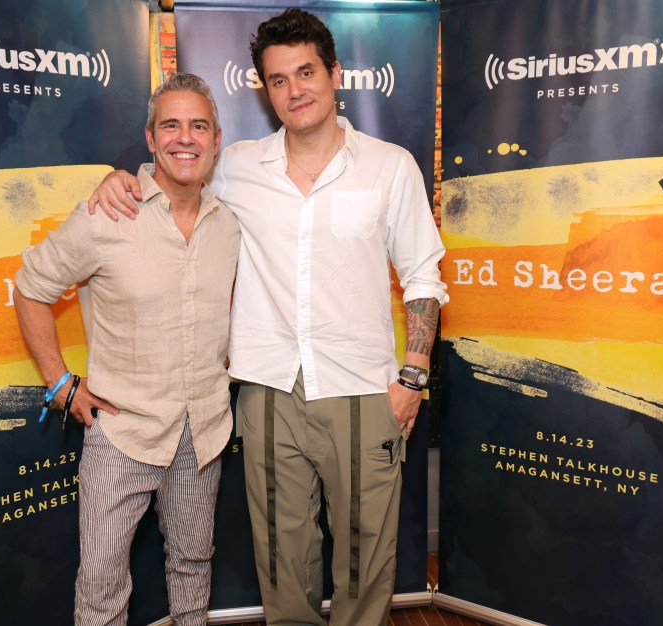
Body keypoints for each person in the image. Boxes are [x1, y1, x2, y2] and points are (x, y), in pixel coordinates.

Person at [89, 9, 448, 625]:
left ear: (334, 74)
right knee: (282, 557)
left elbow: (423, 277)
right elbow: (175, 172)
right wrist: (117, 178)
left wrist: (411, 382)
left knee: (367, 560)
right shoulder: (237, 167)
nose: (294, 90)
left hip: (362, 387)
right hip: (266, 390)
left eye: (306, 72)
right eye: (278, 80)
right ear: (265, 88)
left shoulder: (391, 166)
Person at [14, 73, 239, 626]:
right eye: (171, 125)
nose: (184, 138)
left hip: (203, 432)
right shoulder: (107, 214)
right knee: (101, 582)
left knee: (192, 564)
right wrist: (60, 383)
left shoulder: (230, 225)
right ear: (149, 137)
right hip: (122, 434)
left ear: (215, 139)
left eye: (198, 126)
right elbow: (29, 287)